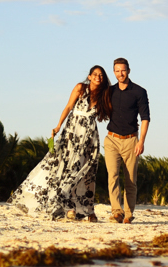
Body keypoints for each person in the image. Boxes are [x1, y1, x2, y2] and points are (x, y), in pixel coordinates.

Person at [10, 65, 112, 221]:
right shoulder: (80, 88)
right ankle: (69, 208)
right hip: (72, 132)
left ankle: (87, 210)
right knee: (69, 167)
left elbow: (112, 112)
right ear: (90, 76)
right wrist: (58, 126)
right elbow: (69, 106)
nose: (98, 77)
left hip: (90, 135)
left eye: (101, 75)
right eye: (95, 74)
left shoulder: (104, 95)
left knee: (87, 171)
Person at [103, 57, 149, 224]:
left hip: (131, 140)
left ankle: (128, 214)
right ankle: (116, 211)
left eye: (123, 70)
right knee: (113, 175)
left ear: (129, 70)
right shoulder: (109, 91)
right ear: (114, 72)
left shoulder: (139, 92)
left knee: (130, 180)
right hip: (112, 139)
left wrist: (141, 141)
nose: (120, 73)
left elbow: (145, 118)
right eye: (117, 71)